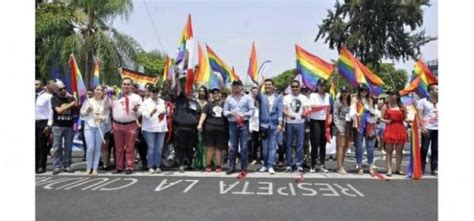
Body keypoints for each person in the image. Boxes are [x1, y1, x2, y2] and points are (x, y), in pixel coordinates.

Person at [223, 80, 255, 177]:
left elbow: (252, 111)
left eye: (238, 85)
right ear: (232, 87)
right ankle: (232, 167)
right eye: (234, 85)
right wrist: (231, 113)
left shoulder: (248, 98)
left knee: (244, 147)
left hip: (244, 124)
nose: (236, 87)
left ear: (242, 87)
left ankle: (244, 168)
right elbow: (224, 111)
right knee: (233, 146)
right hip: (232, 123)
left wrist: (243, 115)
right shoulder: (229, 98)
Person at [111, 77, 143, 174]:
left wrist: (137, 110)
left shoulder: (137, 97)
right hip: (117, 124)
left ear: (132, 86)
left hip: (131, 125)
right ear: (121, 85)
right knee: (118, 147)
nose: (126, 86)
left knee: (130, 147)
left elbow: (141, 111)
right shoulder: (115, 97)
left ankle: (129, 166)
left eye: (128, 84)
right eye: (124, 84)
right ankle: (119, 166)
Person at [80, 85, 111, 175]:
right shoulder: (88, 101)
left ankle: (95, 168)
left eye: (101, 90)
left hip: (100, 127)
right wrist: (87, 111)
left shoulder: (105, 102)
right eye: (97, 89)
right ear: (94, 91)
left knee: (98, 148)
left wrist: (101, 118)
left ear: (103, 92)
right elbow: (82, 114)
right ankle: (88, 168)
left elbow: (107, 115)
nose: (99, 91)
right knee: (90, 148)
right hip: (89, 126)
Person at [173, 78, 201, 173]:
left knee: (190, 147)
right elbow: (179, 90)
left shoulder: (196, 103)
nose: (190, 93)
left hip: (192, 129)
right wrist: (177, 78)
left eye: (191, 92)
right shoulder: (180, 99)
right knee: (181, 147)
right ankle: (181, 164)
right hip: (180, 128)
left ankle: (189, 163)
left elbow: (198, 114)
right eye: (188, 92)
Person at [256, 79, 283, 174]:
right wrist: (259, 86)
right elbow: (256, 96)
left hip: (274, 125)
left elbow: (280, 111)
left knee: (272, 147)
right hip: (264, 125)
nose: (267, 86)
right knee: (264, 147)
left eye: (269, 84)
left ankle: (271, 165)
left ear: (273, 86)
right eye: (266, 85)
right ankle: (264, 165)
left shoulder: (278, 97)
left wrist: (280, 123)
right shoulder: (262, 96)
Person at [349, 85, 378, 175]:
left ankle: (370, 166)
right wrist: (357, 114)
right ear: (359, 91)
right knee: (359, 146)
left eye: (365, 90)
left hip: (369, 124)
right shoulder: (355, 99)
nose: (363, 92)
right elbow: (352, 112)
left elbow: (374, 112)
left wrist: (373, 114)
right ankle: (359, 165)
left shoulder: (370, 100)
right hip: (359, 124)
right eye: (361, 90)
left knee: (370, 146)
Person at [197, 88, 228, 172]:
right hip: (209, 129)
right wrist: (200, 124)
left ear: (221, 94)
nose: (216, 95)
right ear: (212, 96)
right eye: (214, 94)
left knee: (219, 149)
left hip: (221, 129)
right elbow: (203, 114)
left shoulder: (226, 104)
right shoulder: (208, 105)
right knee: (209, 148)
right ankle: (208, 165)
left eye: (218, 93)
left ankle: (218, 165)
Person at [283, 80, 309, 172]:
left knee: (300, 144)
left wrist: (304, 114)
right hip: (289, 123)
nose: (294, 88)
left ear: (299, 87)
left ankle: (299, 164)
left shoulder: (303, 97)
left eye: (296, 86)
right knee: (289, 144)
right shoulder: (286, 97)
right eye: (293, 86)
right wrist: (289, 115)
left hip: (300, 123)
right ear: (291, 87)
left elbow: (306, 109)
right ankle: (289, 164)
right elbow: (284, 110)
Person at [140, 86, 168, 174]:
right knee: (151, 147)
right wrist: (151, 113)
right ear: (150, 92)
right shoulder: (145, 102)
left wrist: (164, 112)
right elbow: (142, 113)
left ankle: (158, 165)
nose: (155, 93)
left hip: (161, 127)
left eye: (156, 91)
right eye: (153, 91)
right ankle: (151, 165)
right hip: (149, 128)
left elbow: (165, 112)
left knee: (159, 148)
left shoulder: (162, 101)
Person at [51, 80, 77, 175]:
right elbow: (59, 110)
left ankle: (67, 165)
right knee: (57, 147)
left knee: (68, 147)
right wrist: (71, 104)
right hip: (57, 125)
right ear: (57, 90)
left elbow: (76, 109)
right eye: (60, 89)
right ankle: (56, 166)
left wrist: (76, 102)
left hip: (69, 126)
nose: (63, 90)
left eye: (64, 88)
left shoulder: (70, 98)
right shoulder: (54, 99)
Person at [307, 79, 332, 173]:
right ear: (317, 86)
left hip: (324, 121)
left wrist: (330, 117)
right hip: (315, 121)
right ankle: (313, 164)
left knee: (323, 143)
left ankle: (322, 164)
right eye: (320, 85)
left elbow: (330, 109)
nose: (322, 87)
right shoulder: (313, 95)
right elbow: (311, 106)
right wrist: (322, 107)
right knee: (315, 143)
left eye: (323, 85)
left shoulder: (328, 96)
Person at [381, 90, 408, 176]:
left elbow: (405, 118)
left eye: (392, 94)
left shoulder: (402, 106)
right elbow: (381, 118)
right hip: (390, 128)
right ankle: (389, 169)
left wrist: (412, 121)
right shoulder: (386, 106)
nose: (391, 96)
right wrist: (386, 121)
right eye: (390, 94)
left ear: (397, 96)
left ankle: (399, 168)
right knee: (389, 150)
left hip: (400, 128)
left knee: (399, 151)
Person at [417, 83, 438, 176]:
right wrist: (422, 127)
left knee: (436, 149)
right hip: (427, 128)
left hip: (438, 128)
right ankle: (421, 168)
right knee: (424, 149)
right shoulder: (422, 102)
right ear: (431, 91)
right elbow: (419, 115)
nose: (439, 91)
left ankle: (434, 169)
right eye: (437, 89)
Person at [35, 80, 55, 174]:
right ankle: (35, 165)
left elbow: (51, 111)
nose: (34, 86)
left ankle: (41, 166)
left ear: (42, 86)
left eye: (36, 84)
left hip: (43, 122)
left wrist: (49, 125)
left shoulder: (48, 96)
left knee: (41, 145)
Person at [333, 86, 351, 174]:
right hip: (340, 125)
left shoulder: (349, 102)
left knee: (345, 147)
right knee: (340, 146)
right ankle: (340, 167)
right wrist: (339, 127)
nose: (344, 94)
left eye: (346, 92)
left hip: (348, 125)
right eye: (343, 92)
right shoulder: (337, 102)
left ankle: (341, 165)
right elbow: (335, 115)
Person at [249, 86, 262, 165]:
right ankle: (254, 158)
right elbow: (250, 118)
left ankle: (262, 158)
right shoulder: (252, 106)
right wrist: (250, 127)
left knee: (263, 143)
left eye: (256, 91)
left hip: (262, 126)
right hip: (254, 127)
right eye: (253, 91)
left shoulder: (263, 106)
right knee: (255, 143)